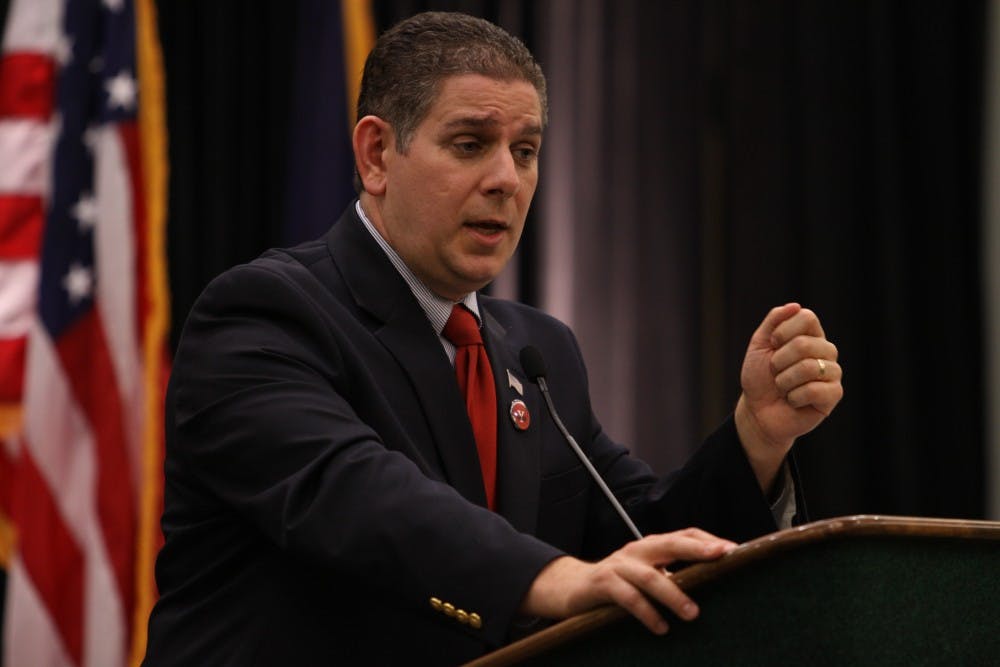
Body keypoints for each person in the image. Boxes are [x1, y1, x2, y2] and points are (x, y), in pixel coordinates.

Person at [143, 11, 843, 666]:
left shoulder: (540, 353)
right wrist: (549, 575)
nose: (507, 179)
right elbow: (356, 495)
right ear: (377, 153)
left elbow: (641, 545)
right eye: (471, 144)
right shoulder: (264, 314)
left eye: (527, 149)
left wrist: (758, 434)